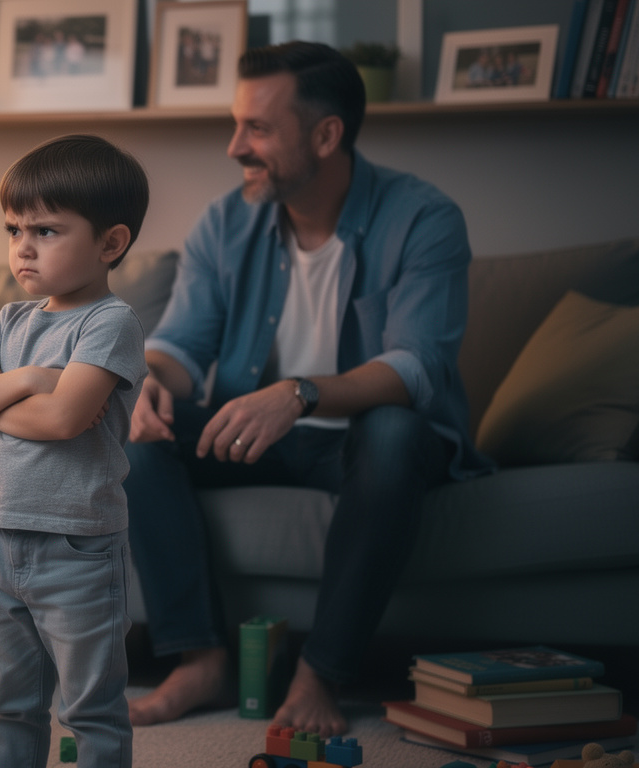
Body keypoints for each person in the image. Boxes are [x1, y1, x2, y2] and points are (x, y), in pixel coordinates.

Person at [122, 41, 493, 736]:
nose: (234, 147)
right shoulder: (225, 222)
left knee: (393, 428)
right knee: (138, 435)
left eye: (257, 129)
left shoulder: (424, 218)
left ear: (327, 135)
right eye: (235, 125)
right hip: (254, 433)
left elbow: (415, 369)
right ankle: (200, 658)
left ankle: (321, 672)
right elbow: (180, 345)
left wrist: (297, 394)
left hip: (368, 442)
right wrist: (148, 383)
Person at [0, 134, 150, 768]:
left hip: (74, 546)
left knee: (90, 707)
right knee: (10, 703)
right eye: (14, 229)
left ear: (110, 243)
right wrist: (32, 378)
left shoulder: (109, 323)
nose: (23, 248)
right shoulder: (9, 322)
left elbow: (65, 418)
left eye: (47, 231)